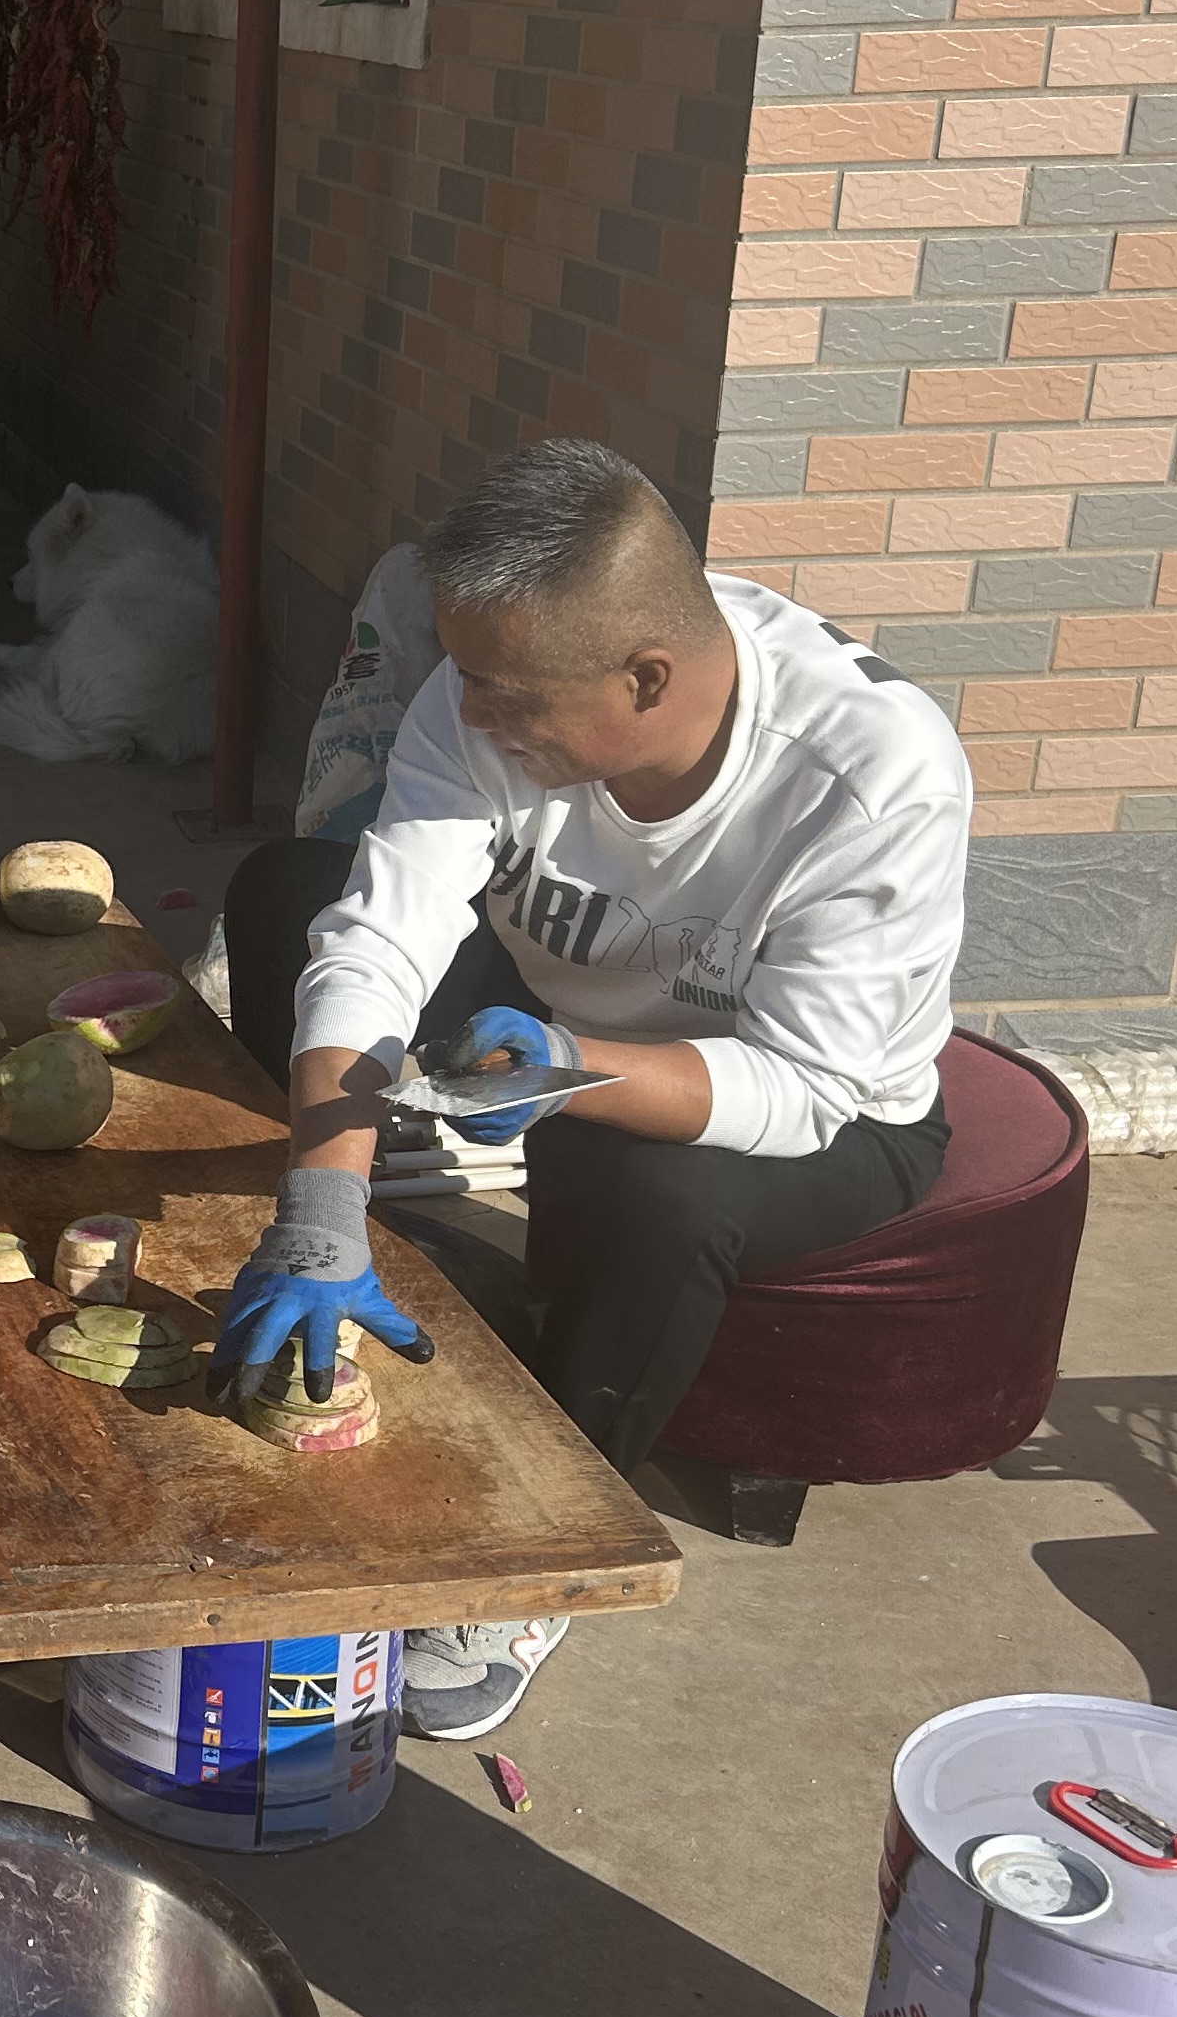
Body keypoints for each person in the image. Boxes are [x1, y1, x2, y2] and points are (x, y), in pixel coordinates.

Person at [214, 438, 972, 1739]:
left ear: (647, 677)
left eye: (504, 697)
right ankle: (386, 1198)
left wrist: (574, 1078)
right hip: (556, 1016)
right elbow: (382, 933)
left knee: (663, 1193)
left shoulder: (872, 774)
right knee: (293, 891)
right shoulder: (494, 682)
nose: (469, 711)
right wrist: (318, 1213)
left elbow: (804, 1088)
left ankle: (538, 1559)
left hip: (821, 1113)